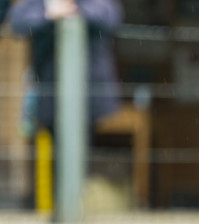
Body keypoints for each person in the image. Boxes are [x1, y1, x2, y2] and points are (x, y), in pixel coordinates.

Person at [9, 0, 123, 132]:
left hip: (89, 94)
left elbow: (111, 16)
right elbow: (17, 21)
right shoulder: (40, 3)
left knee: (85, 143)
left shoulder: (96, 4)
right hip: (48, 93)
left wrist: (74, 11)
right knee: (47, 142)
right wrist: (48, 14)